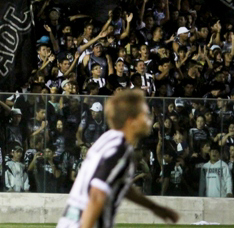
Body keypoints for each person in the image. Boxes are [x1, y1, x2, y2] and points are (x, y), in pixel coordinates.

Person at [57, 90, 179, 228]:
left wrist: (154, 208)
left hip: (71, 220)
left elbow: (119, 183)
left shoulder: (108, 139)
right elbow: (97, 194)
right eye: (145, 115)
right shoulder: (120, 149)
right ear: (131, 121)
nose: (150, 119)